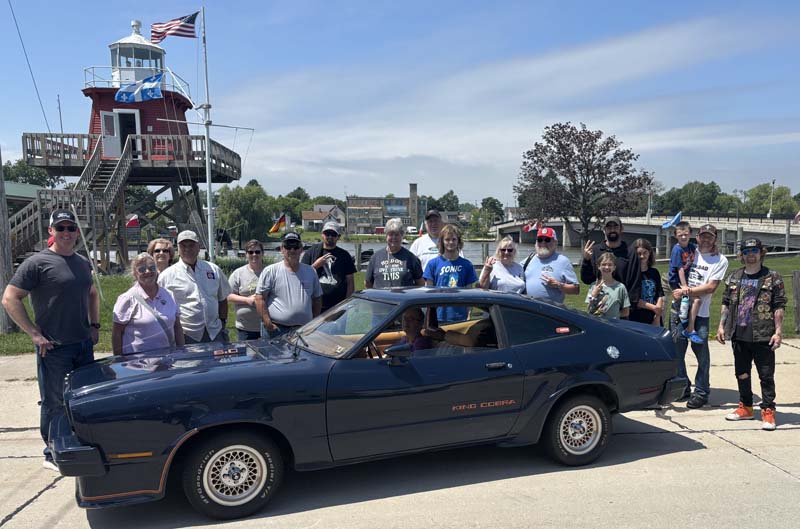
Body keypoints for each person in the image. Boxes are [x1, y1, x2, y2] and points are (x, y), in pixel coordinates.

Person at [2, 209, 99, 471]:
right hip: (54, 347)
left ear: (76, 232)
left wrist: (94, 324)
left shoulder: (81, 262)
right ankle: (52, 452)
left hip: (82, 344)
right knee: (54, 401)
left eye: (70, 228)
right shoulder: (37, 263)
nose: (66, 233)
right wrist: (34, 334)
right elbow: (10, 298)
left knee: (80, 398)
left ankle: (76, 441)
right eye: (61, 228)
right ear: (51, 231)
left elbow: (92, 294)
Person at [717, 238, 786, 430]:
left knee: (766, 375)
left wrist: (778, 332)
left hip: (763, 333)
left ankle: (768, 410)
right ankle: (746, 406)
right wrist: (721, 326)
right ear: (741, 255)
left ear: (761, 252)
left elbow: (779, 306)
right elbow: (726, 302)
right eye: (746, 251)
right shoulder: (734, 276)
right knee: (742, 373)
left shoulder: (773, 277)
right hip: (739, 333)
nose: (751, 254)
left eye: (754, 250)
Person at [670, 223, 728, 409]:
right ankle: (683, 387)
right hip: (679, 309)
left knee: (701, 353)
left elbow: (711, 287)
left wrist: (685, 292)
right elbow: (676, 266)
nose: (706, 239)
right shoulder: (690, 251)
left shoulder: (720, 260)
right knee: (676, 351)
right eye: (703, 235)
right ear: (697, 237)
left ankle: (702, 391)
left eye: (710, 236)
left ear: (715, 239)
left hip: (700, 313)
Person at [158, 230, 231, 344]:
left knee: (218, 361)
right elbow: (160, 308)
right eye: (183, 246)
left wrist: (222, 322)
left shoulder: (213, 269)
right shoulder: (167, 276)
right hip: (186, 334)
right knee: (190, 362)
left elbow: (222, 299)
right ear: (178, 248)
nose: (188, 249)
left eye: (191, 245)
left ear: (198, 247)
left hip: (214, 332)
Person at [112, 253, 184, 355]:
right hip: (137, 363)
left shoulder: (169, 295)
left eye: (152, 268)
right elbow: (117, 333)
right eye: (141, 269)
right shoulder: (127, 298)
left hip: (167, 361)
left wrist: (181, 352)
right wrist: (118, 360)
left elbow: (177, 327)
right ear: (135, 274)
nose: (147, 271)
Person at [256, 232, 322, 338]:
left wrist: (314, 322)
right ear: (282, 249)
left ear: (301, 249)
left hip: (304, 330)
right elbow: (259, 299)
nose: (292, 250)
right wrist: (267, 322)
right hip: (276, 330)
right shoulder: (270, 271)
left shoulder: (311, 271)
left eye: (296, 246)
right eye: (288, 246)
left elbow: (317, 298)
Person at [581, 216, 642, 306]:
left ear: (621, 229)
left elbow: (635, 282)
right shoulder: (596, 251)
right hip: (599, 306)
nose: (612, 230)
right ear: (604, 230)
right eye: (609, 227)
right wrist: (586, 260)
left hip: (623, 307)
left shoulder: (630, 252)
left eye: (615, 227)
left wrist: (629, 307)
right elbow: (587, 280)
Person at [423, 224, 478, 323]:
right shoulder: (432, 264)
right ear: (442, 242)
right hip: (438, 316)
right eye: (447, 239)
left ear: (458, 241)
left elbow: (470, 293)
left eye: (454, 239)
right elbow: (429, 293)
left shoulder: (467, 265)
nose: (451, 242)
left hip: (460, 315)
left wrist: (469, 314)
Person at [300, 221, 356, 311]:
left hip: (338, 306)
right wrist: (316, 265)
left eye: (333, 234)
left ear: (338, 237)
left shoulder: (344, 255)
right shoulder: (311, 252)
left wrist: (347, 302)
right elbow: (301, 275)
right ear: (322, 235)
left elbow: (350, 282)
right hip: (314, 304)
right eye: (327, 233)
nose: (330, 237)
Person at [522, 227, 580, 302]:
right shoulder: (528, 260)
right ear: (536, 243)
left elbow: (576, 289)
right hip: (530, 309)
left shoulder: (563, 261)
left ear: (555, 242)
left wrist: (558, 285)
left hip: (550, 311)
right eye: (540, 240)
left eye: (547, 240)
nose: (543, 243)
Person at [365, 218, 424, 288]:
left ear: (402, 235)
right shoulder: (375, 258)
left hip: (403, 298)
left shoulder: (411, 258)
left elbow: (421, 283)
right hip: (380, 298)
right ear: (386, 236)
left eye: (397, 234)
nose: (394, 237)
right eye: (391, 234)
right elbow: (368, 283)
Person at [668, 222, 702, 343]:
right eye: (680, 234)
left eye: (686, 234)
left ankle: (687, 324)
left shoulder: (691, 247)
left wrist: (714, 249)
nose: (683, 237)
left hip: (687, 281)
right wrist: (684, 286)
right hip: (677, 281)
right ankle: (689, 328)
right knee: (695, 300)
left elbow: (702, 249)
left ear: (690, 234)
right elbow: (680, 269)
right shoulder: (677, 249)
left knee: (692, 302)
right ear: (676, 235)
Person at [227, 240, 266, 340]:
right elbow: (228, 295)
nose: (254, 255)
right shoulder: (238, 274)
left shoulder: (269, 272)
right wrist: (247, 300)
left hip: (267, 325)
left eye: (257, 252)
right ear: (246, 254)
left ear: (262, 253)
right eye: (250, 252)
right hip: (245, 328)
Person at [629, 239, 664, 326]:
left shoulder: (654, 272)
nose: (642, 256)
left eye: (645, 253)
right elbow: (633, 299)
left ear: (650, 253)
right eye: (639, 253)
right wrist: (654, 308)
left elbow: (659, 294)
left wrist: (657, 316)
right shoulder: (631, 274)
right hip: (636, 318)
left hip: (654, 316)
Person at [586, 253, 630, 319]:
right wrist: (593, 295)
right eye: (604, 264)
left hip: (612, 325)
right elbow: (589, 310)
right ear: (598, 266)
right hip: (596, 324)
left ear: (614, 267)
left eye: (610, 265)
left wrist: (613, 317)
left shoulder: (620, 287)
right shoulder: (593, 286)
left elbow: (626, 312)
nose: (607, 267)